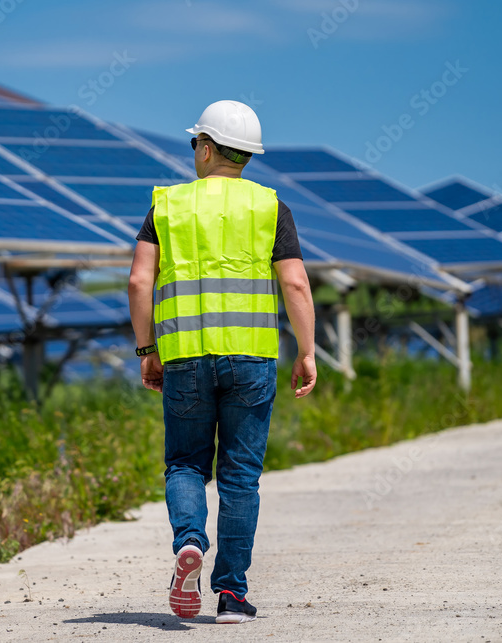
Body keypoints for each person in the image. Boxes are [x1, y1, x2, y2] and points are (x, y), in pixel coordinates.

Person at [128, 100, 317, 624]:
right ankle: (231, 594)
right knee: (240, 476)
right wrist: (306, 350)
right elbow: (296, 282)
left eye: (195, 144)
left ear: (206, 147)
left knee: (186, 463)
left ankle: (189, 543)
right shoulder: (270, 207)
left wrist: (147, 352)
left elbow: (140, 281)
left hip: (185, 358)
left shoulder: (167, 207)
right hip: (252, 359)